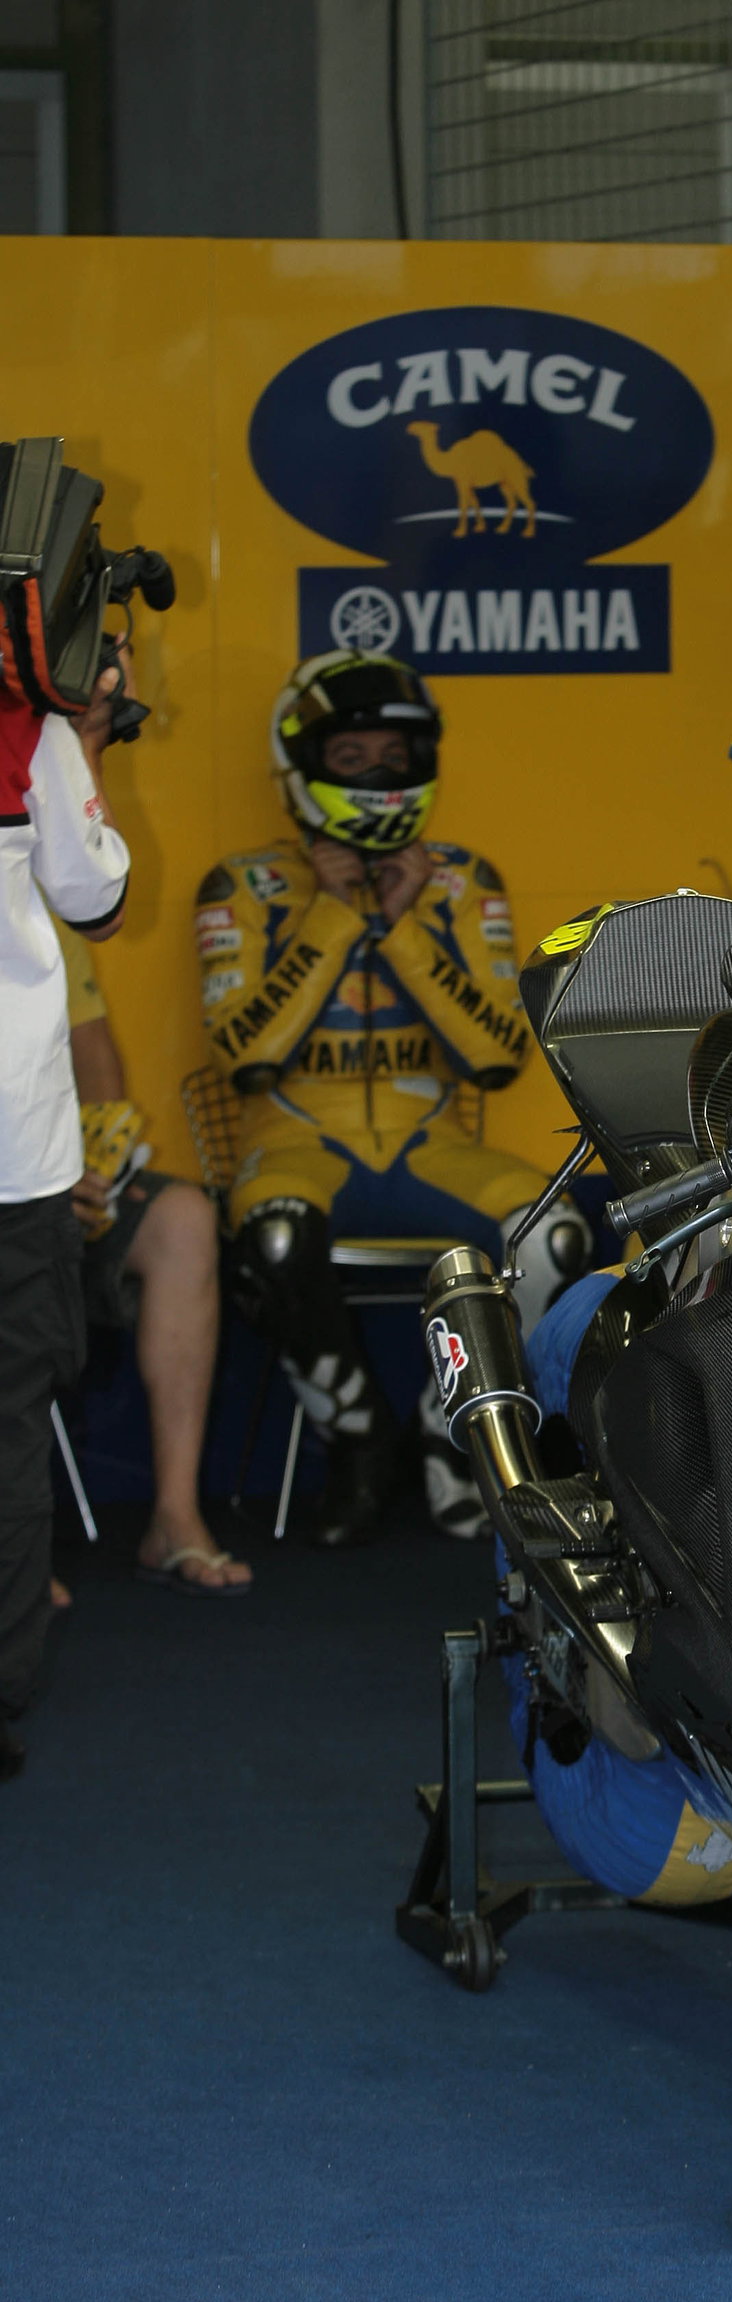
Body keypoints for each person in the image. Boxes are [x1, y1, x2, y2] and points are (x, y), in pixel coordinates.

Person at [196, 650, 587, 1548]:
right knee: (277, 1238)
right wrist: (335, 914)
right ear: (302, 763)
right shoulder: (241, 885)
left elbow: (495, 1057)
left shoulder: (462, 881)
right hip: (294, 1151)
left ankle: (450, 1433)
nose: (377, 775)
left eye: (393, 756)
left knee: (559, 1236)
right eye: (351, 758)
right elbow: (248, 1057)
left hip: (429, 1149)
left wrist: (405, 924)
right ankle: (359, 1442)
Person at [0, 660, 129, 1780]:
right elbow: (94, 895)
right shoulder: (22, 717)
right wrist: (77, 735)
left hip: (20, 1150)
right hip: (11, 1152)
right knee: (7, 1428)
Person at [57, 922, 252, 1594]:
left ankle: (174, 1516)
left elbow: (93, 1062)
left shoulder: (32, 908)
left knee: (182, 1219)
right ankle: (15, 1554)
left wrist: (98, 1170)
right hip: (19, 1194)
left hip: (46, 1184)